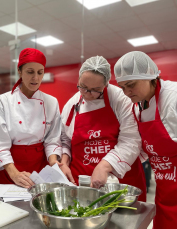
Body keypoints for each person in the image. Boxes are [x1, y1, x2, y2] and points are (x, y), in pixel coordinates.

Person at [60, 56, 146, 201]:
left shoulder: (120, 99)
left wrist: (105, 167)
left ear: (106, 84)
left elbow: (131, 140)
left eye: (96, 90)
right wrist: (64, 160)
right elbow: (65, 139)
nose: (88, 93)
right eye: (83, 87)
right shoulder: (73, 103)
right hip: (82, 183)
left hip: (119, 183)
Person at [114, 51, 177, 229]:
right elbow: (142, 149)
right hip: (165, 193)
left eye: (130, 85)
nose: (126, 92)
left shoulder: (173, 98)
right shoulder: (138, 108)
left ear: (149, 76)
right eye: (122, 87)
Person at [0, 48, 62, 189]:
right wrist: (14, 174)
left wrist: (53, 162)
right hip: (10, 167)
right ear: (20, 71)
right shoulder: (3, 100)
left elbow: (53, 139)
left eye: (40, 72)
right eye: (30, 72)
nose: (35, 77)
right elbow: (0, 144)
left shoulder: (51, 102)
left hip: (40, 167)